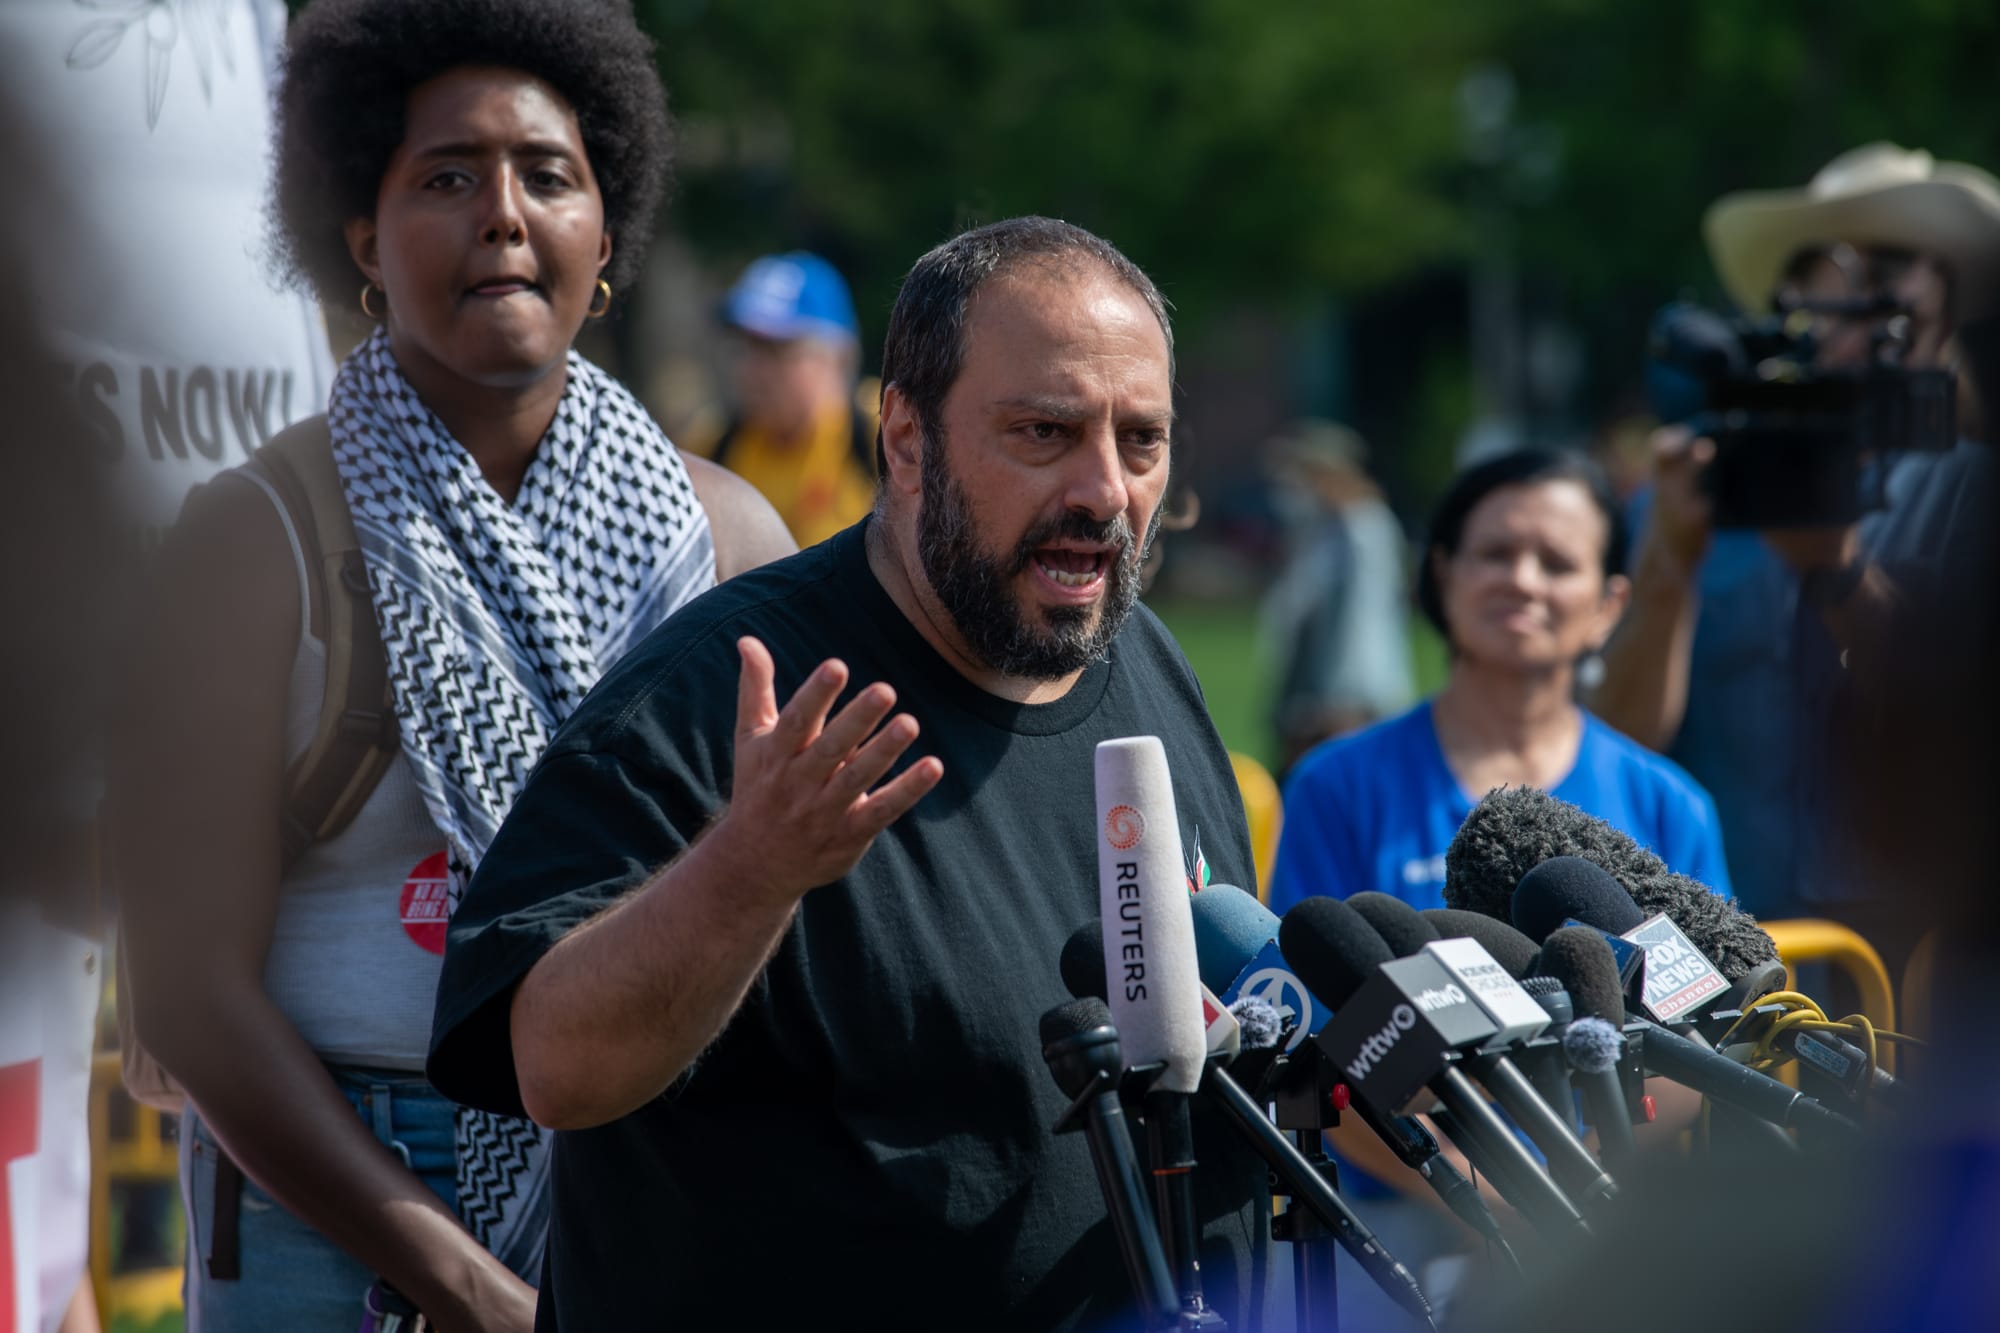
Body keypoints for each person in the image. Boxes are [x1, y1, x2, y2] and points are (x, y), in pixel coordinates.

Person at [427, 217, 1279, 1329]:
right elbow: (555, 1066)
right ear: (906, 440)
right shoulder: (728, 697)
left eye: (1141, 441)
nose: (1104, 490)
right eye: (1044, 431)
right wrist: (751, 868)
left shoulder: (1149, 667)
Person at [109, 2, 793, 1330]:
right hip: (323, 1210)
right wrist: (465, 1280)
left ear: (609, 240)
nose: (502, 212)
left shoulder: (728, 541)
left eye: (548, 175)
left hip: (645, 1186)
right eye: (445, 177)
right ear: (361, 237)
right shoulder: (255, 540)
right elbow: (186, 994)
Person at [1592, 142, 2000, 939]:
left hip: (1913, 964)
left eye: (1891, 267)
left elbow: (1960, 737)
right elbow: (1618, 744)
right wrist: (1669, 566)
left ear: (1946, 295)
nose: (1865, 299)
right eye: (1835, 267)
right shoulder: (1696, 485)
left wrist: (1836, 572)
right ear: (1792, 292)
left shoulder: (1973, 493)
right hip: (1719, 946)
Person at [1271, 448, 1730, 917]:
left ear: (1608, 605)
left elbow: (1719, 985)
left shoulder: (1669, 806)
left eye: (1557, 564)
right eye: (1496, 554)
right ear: (1443, 574)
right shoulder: (1336, 788)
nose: (1523, 581)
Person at [1259, 419, 1416, 773]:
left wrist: (1336, 700)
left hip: (1348, 696)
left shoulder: (1363, 529)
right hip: (1310, 685)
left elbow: (1358, 619)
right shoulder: (1321, 526)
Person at [698, 250, 879, 547]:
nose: (750, 369)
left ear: (836, 357)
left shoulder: (884, 431)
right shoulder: (714, 448)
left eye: (774, 349)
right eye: (745, 346)